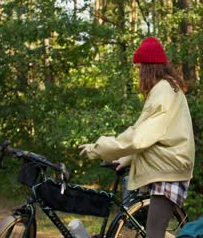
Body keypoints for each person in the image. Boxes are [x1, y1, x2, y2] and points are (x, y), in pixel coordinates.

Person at [79, 37, 195, 238]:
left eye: (141, 67)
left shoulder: (163, 92)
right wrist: (126, 159)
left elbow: (138, 137)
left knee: (154, 234)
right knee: (151, 232)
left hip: (167, 171)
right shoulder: (167, 88)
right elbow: (154, 135)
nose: (139, 73)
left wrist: (97, 148)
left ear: (149, 68)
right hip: (168, 166)